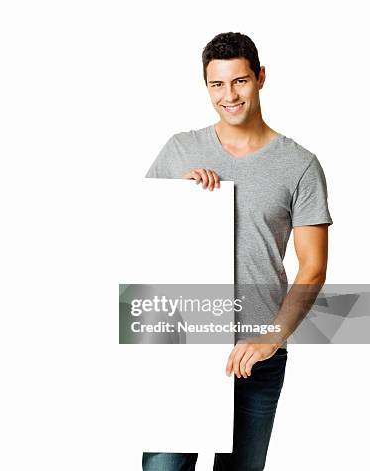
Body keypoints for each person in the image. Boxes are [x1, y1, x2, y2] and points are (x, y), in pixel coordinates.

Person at [142, 33, 332, 470]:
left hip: (256, 356)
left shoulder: (300, 164)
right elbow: (139, 237)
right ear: (206, 86)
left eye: (240, 81)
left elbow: (314, 267)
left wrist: (272, 336)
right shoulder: (180, 150)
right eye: (217, 85)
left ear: (260, 78)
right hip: (181, 345)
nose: (229, 95)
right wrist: (177, 198)